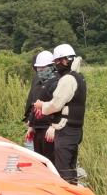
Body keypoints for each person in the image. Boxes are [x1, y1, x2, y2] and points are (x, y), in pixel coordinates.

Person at [34, 44, 86, 184]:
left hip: (65, 129)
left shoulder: (67, 80)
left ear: (64, 61)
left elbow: (56, 104)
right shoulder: (79, 77)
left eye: (56, 62)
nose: (56, 66)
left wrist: (41, 105)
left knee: (63, 169)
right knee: (70, 167)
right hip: (75, 130)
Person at [24, 50, 59, 164]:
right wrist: (31, 123)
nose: (40, 71)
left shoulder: (56, 82)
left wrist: (53, 126)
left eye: (42, 67)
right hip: (38, 127)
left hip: (48, 128)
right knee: (40, 160)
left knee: (50, 160)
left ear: (50, 66)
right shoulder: (39, 82)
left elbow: (58, 106)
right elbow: (34, 103)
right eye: (38, 68)